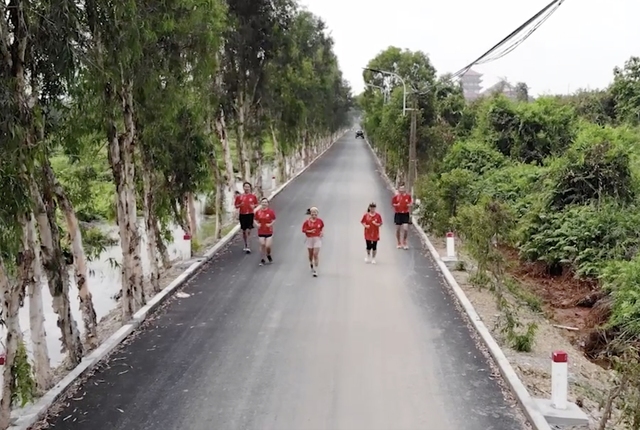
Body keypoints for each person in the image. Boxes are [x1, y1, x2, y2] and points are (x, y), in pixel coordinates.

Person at [235, 182, 259, 253]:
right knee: (244, 231)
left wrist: (253, 206)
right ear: (243, 187)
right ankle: (246, 245)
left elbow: (256, 204)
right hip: (242, 215)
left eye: (248, 187)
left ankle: (248, 246)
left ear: (250, 188)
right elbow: (236, 206)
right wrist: (240, 205)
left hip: (250, 214)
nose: (247, 188)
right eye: (245, 187)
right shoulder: (240, 197)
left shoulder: (253, 196)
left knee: (249, 230)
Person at [302, 207, 324, 277]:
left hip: (317, 238)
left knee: (315, 254)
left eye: (315, 212)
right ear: (310, 213)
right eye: (312, 212)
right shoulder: (307, 222)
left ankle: (316, 269)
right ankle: (311, 263)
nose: (314, 214)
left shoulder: (320, 221)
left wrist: (321, 232)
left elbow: (321, 227)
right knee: (311, 254)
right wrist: (310, 231)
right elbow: (303, 230)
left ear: (317, 213)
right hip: (309, 239)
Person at [254, 197, 276, 265]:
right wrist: (257, 224)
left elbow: (274, 219)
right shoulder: (258, 212)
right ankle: (262, 259)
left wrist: (270, 224)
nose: (264, 204)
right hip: (261, 231)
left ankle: (268, 254)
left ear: (267, 204)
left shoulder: (270, 212)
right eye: (263, 202)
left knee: (268, 246)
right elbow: (255, 219)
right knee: (262, 244)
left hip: (268, 231)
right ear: (261, 204)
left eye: (265, 202)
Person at [392, 183, 412, 249]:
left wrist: (409, 205)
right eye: (401, 188)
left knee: (405, 229)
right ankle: (398, 242)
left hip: (405, 214)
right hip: (398, 214)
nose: (402, 190)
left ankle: (404, 242)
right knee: (398, 229)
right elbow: (393, 204)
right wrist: (396, 205)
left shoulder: (408, 196)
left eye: (403, 188)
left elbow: (410, 203)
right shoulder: (396, 197)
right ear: (399, 189)